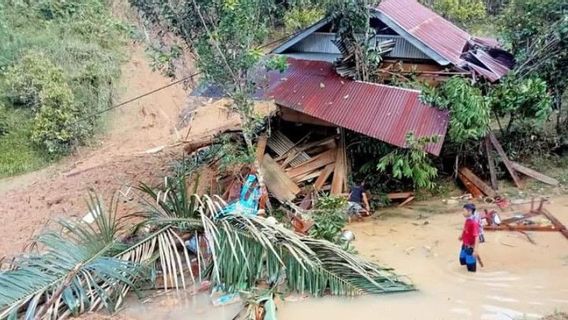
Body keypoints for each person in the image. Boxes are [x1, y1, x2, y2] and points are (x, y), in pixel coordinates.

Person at [459, 203, 481, 272]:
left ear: (470, 211)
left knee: (470, 267)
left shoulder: (474, 223)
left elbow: (477, 237)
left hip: (470, 247)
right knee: (462, 260)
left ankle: (471, 279)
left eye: (464, 211)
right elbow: (465, 229)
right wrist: (461, 236)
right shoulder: (467, 220)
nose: (463, 213)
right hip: (464, 244)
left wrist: (475, 250)